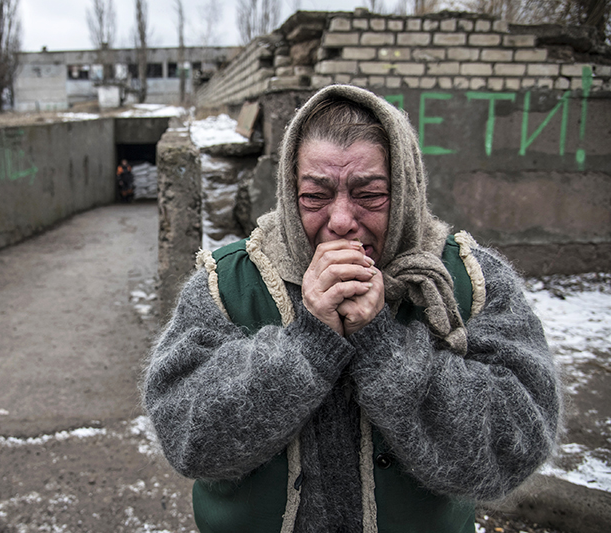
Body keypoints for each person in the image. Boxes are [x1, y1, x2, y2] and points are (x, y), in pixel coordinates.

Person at [142, 85, 561, 533]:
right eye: (315, 196)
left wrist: (384, 346)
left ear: (404, 191)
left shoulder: (468, 280)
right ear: (289, 192)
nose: (341, 220)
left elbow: (517, 443)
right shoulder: (226, 284)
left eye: (370, 194)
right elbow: (187, 438)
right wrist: (307, 346)